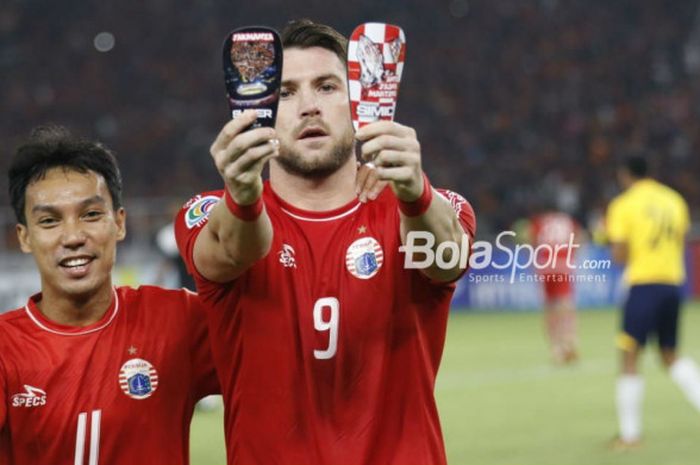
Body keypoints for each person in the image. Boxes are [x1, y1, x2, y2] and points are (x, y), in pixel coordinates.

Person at [174, 19, 476, 465]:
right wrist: (242, 196)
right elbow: (232, 252)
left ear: (360, 105)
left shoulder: (424, 208)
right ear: (257, 111)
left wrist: (415, 193)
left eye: (327, 87)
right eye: (287, 93)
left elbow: (447, 260)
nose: (309, 106)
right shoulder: (211, 212)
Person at [0, 126, 219, 465]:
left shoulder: (178, 320)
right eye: (49, 221)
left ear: (119, 223)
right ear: (24, 237)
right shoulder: (5, 348)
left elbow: (286, 363)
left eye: (90, 214)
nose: (73, 236)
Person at [606, 155, 700, 449]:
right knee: (670, 354)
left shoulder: (623, 204)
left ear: (625, 174)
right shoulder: (674, 200)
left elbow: (620, 255)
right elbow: (682, 240)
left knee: (630, 354)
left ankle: (630, 435)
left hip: (644, 284)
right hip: (673, 283)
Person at [528, 209, 580, 364]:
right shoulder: (567, 220)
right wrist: (572, 254)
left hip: (546, 265)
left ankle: (556, 348)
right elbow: (579, 238)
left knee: (549, 307)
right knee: (566, 303)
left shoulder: (540, 221)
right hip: (564, 264)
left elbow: (533, 241)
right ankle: (570, 341)